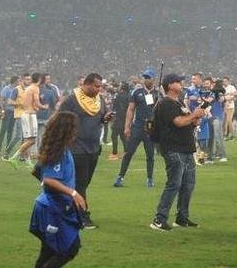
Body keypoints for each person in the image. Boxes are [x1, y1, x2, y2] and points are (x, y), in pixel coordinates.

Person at [21, 111, 85, 268]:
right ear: (67, 130)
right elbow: (48, 179)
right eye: (74, 128)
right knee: (70, 248)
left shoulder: (54, 149)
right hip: (54, 209)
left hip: (50, 206)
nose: (76, 132)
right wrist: (72, 192)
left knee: (47, 252)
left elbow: (37, 171)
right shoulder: (59, 153)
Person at [150, 74, 207, 231]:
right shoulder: (166, 103)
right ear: (170, 85)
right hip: (174, 148)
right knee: (174, 184)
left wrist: (195, 119)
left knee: (188, 184)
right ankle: (159, 219)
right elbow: (178, 122)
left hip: (186, 147)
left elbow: (187, 122)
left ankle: (182, 217)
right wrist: (194, 115)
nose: (181, 83)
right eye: (178, 81)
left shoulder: (179, 102)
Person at [57, 73, 113, 228]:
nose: (99, 89)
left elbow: (100, 118)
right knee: (80, 183)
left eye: (100, 86)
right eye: (96, 86)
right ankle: (82, 216)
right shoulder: (72, 100)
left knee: (85, 182)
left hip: (93, 147)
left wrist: (105, 118)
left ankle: (67, 209)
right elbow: (60, 119)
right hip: (76, 147)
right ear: (87, 84)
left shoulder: (99, 100)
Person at [113, 69, 160, 188]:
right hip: (138, 126)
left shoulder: (158, 93)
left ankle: (150, 178)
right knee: (129, 152)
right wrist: (127, 127)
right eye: (145, 77)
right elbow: (130, 109)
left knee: (150, 155)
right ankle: (120, 177)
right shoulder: (137, 92)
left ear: (153, 79)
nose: (146, 79)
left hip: (150, 127)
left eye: (148, 77)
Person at [9, 73, 43, 165]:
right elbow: (36, 102)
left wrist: (35, 107)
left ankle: (27, 160)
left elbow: (30, 103)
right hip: (28, 115)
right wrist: (43, 106)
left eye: (29, 79)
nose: (28, 81)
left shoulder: (28, 89)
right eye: (26, 79)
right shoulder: (33, 88)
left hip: (25, 114)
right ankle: (13, 157)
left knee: (27, 139)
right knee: (29, 139)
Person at [108, 77, 132, 159]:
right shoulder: (129, 96)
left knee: (114, 136)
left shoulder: (119, 96)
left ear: (122, 87)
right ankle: (126, 152)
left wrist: (112, 117)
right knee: (122, 136)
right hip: (126, 119)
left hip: (118, 119)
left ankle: (114, 153)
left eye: (120, 85)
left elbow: (114, 108)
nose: (119, 86)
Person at [0, 76, 19, 155]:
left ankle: (8, 147)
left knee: (10, 130)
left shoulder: (17, 89)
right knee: (3, 129)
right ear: (15, 81)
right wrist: (2, 110)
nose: (19, 82)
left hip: (14, 111)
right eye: (18, 81)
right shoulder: (6, 88)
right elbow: (1, 99)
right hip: (7, 111)